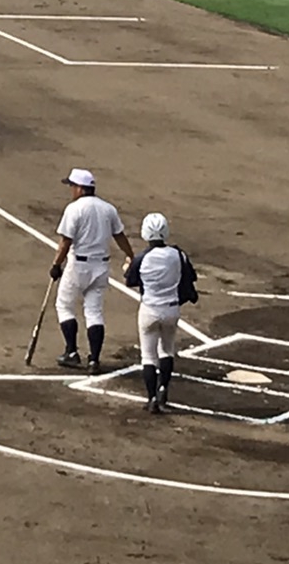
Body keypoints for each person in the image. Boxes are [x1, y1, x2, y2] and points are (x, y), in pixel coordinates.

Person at [47, 167, 135, 374]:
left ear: (80, 188)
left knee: (64, 305)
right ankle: (94, 360)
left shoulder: (74, 209)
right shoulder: (108, 208)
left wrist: (55, 265)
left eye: (72, 186)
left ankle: (71, 352)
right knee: (94, 312)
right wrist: (131, 255)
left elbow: (65, 242)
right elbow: (120, 236)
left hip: (78, 266)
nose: (71, 190)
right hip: (101, 267)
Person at [125, 212, 197, 414]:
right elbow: (191, 275)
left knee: (148, 356)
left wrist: (127, 267)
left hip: (149, 310)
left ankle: (151, 398)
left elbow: (130, 281)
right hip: (171, 310)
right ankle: (163, 389)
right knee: (166, 350)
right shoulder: (178, 254)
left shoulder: (142, 258)